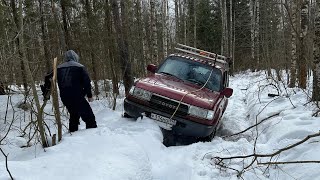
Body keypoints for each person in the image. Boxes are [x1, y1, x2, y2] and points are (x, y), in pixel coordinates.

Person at [41, 50, 97, 132]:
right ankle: (93, 136)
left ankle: (72, 134)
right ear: (76, 57)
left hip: (65, 97)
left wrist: (46, 92)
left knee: (74, 115)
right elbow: (87, 82)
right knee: (89, 118)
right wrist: (89, 95)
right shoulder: (80, 67)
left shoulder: (58, 68)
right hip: (78, 96)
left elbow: (47, 77)